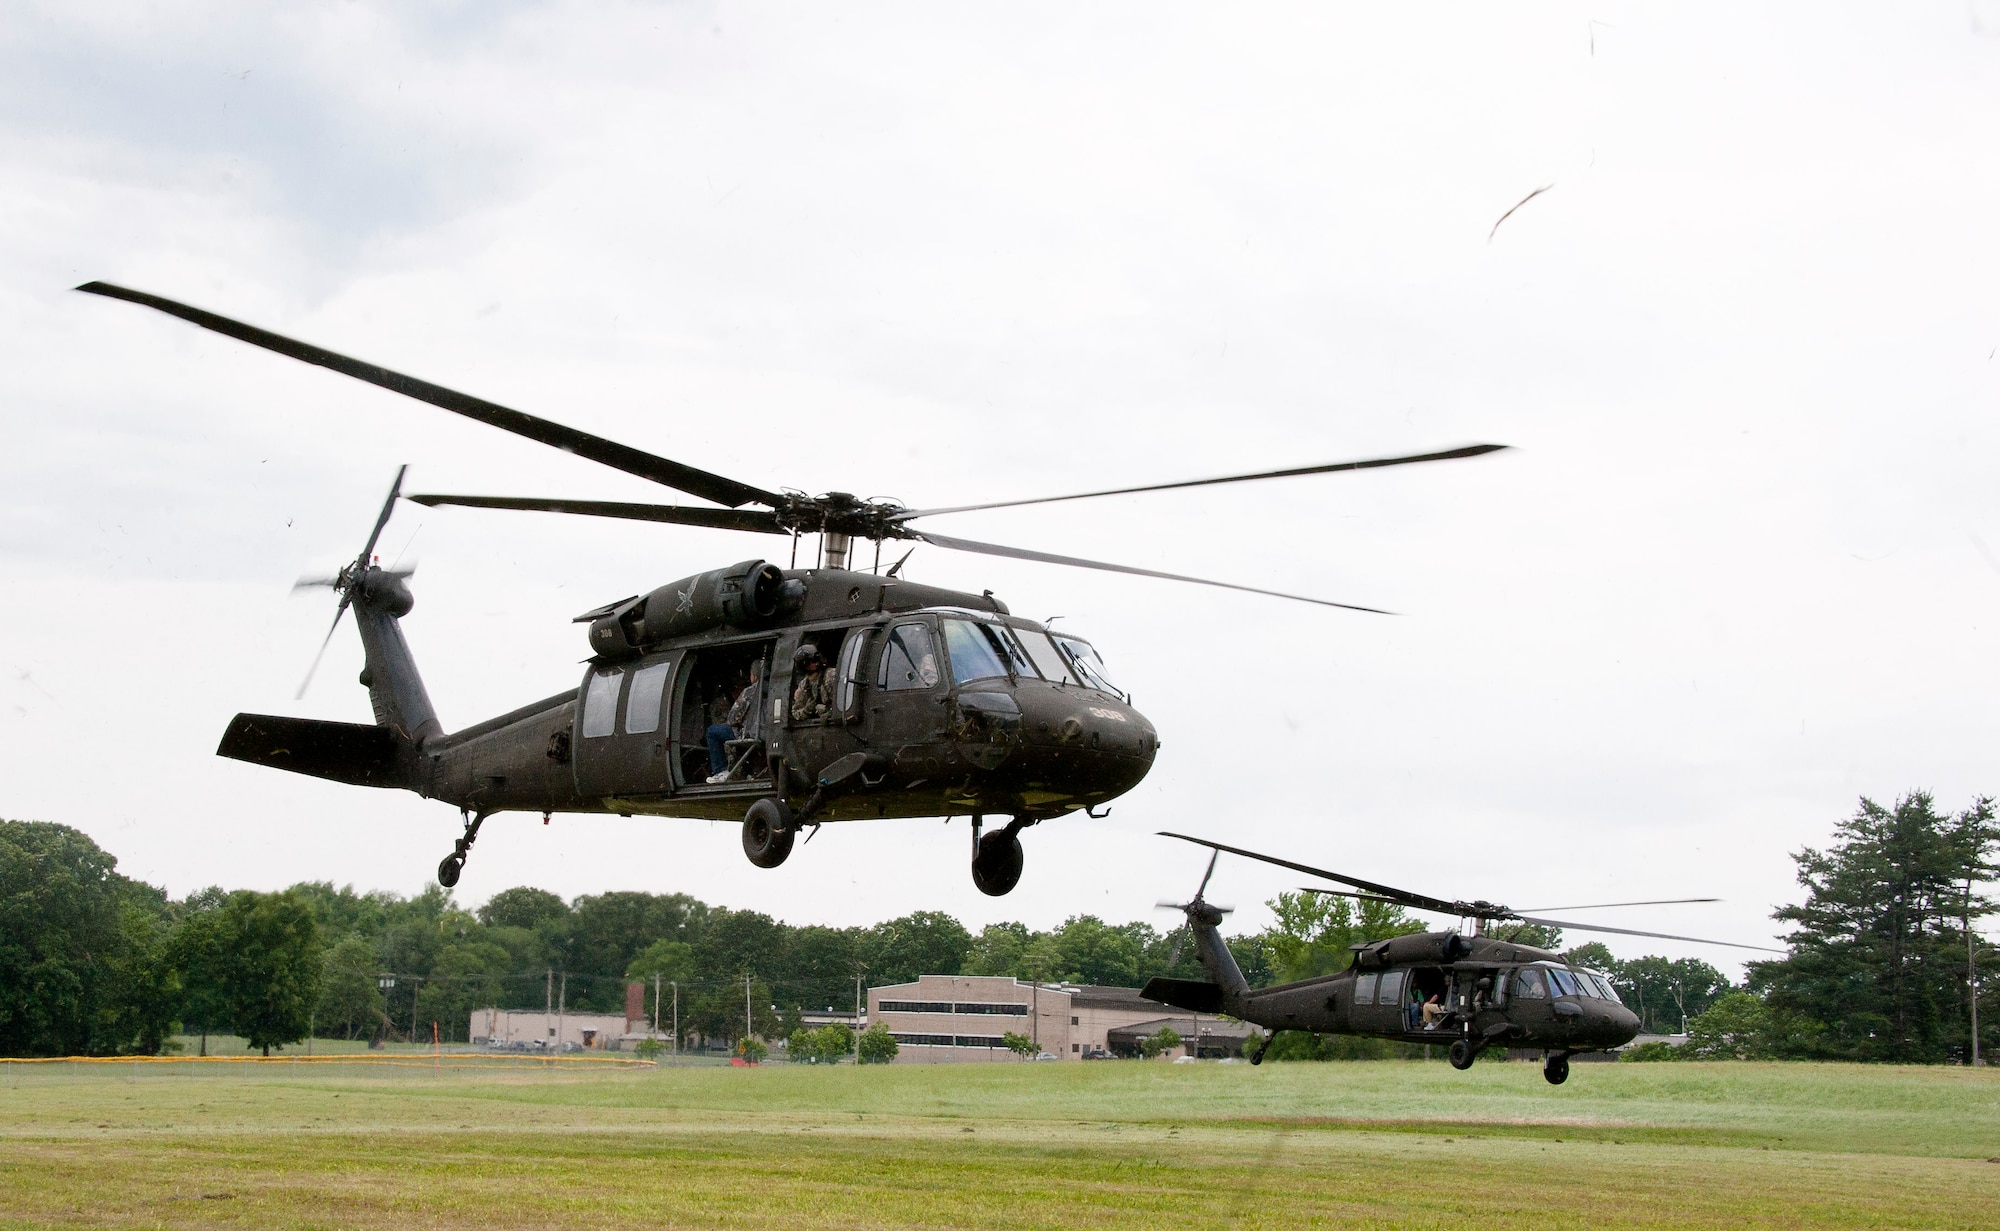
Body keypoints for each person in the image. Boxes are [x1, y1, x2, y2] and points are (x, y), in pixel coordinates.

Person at [704, 661, 763, 784]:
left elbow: (732, 718)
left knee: (712, 731)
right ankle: (749, 772)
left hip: (749, 734)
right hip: (767, 735)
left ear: (754, 676)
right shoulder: (773, 689)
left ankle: (720, 771)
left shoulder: (750, 692)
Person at [791, 642, 834, 722]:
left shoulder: (831, 676)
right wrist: (807, 710)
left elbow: (844, 703)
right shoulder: (804, 685)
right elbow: (796, 714)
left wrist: (831, 712)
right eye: (810, 662)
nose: (815, 663)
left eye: (815, 660)